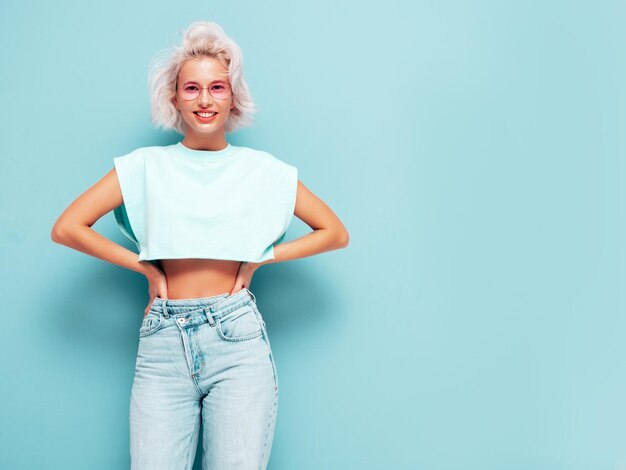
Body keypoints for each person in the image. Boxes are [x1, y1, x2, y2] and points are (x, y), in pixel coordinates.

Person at [50, 20, 349, 470]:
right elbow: (68, 226)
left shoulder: (262, 169)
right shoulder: (146, 166)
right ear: (173, 98)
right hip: (162, 341)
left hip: (238, 339)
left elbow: (334, 232)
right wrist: (146, 268)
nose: (204, 100)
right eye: (191, 88)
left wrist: (261, 259)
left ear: (233, 97)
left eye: (217, 87)